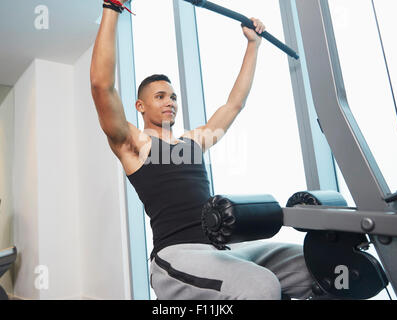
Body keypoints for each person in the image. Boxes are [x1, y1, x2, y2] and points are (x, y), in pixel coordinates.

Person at [91, 0, 316, 300]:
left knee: (316, 265)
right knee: (260, 286)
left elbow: (234, 104)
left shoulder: (193, 141)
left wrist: (253, 46)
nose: (170, 101)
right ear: (140, 106)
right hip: (177, 254)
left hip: (223, 248)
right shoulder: (135, 145)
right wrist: (112, 6)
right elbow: (101, 85)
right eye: (160, 96)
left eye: (173, 96)